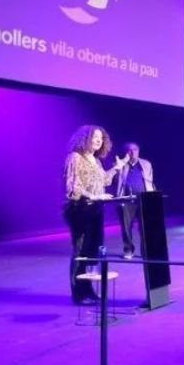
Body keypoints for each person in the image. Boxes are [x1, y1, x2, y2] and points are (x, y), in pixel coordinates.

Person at [62, 125, 127, 303]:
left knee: (91, 251)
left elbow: (104, 180)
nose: (99, 140)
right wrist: (94, 196)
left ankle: (88, 290)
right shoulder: (75, 157)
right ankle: (78, 293)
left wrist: (116, 168)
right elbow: (72, 188)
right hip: (79, 210)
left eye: (101, 138)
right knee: (80, 251)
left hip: (95, 210)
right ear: (85, 138)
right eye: (95, 137)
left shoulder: (95, 160)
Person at [112, 142, 156, 259]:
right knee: (126, 227)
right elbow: (115, 181)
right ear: (126, 152)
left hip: (143, 199)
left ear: (139, 151)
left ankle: (145, 251)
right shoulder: (120, 165)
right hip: (126, 200)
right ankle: (128, 250)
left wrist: (152, 196)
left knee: (145, 227)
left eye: (135, 150)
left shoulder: (146, 164)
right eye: (130, 150)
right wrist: (120, 166)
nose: (133, 152)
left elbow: (150, 181)